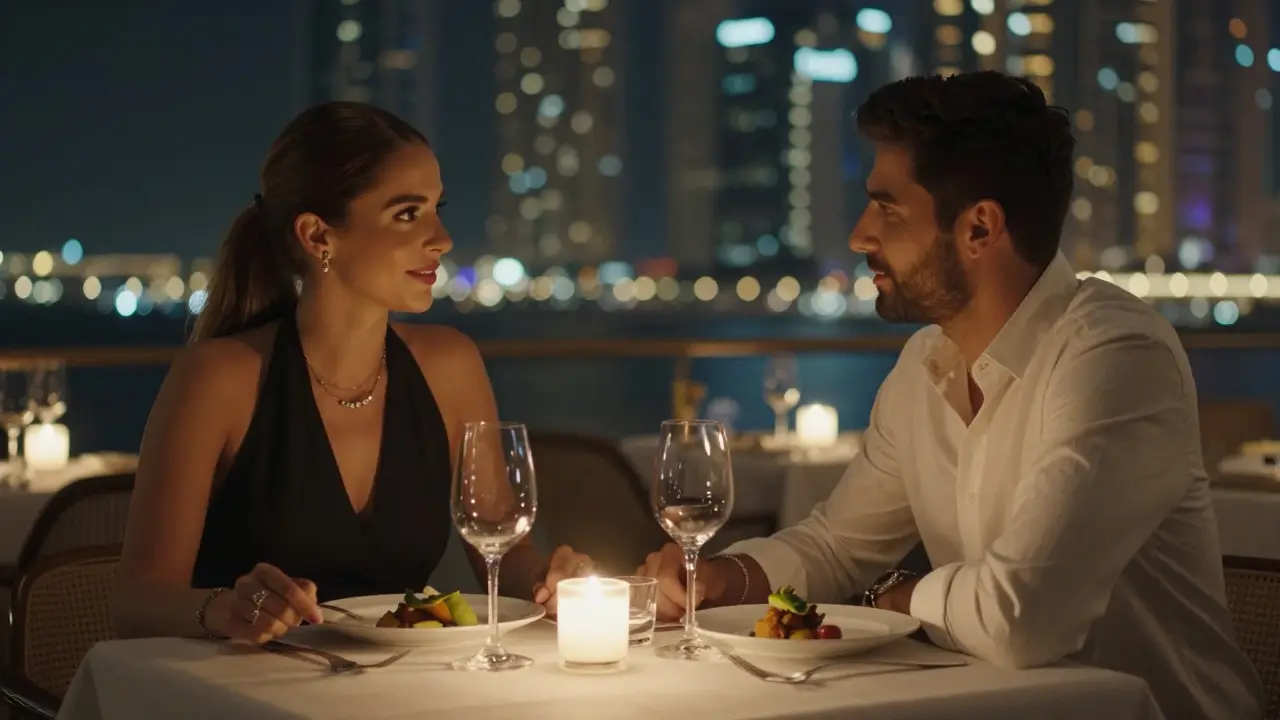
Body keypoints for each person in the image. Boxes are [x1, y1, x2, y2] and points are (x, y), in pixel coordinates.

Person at [636, 72, 1264, 719]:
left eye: (887, 208)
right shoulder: (924, 367)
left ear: (980, 229)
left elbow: (1020, 620)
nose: (859, 236)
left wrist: (902, 595)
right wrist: (720, 580)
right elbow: (835, 546)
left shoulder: (1115, 356)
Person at [112, 102, 589, 644]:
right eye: (408, 213)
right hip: (237, 691)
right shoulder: (219, 379)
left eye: (438, 207)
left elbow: (504, 556)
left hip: (396, 690)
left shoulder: (450, 367)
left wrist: (551, 583)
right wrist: (223, 609)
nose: (442, 237)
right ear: (318, 236)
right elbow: (137, 601)